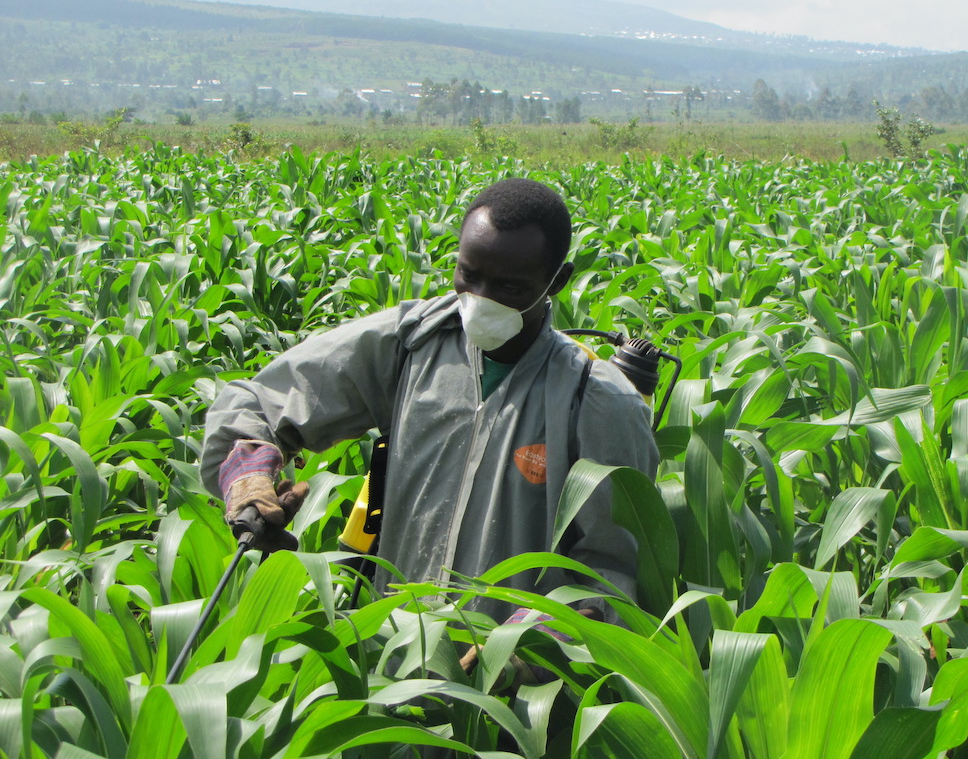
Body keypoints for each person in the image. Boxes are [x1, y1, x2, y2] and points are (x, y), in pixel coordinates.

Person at [200, 177, 659, 627]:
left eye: (509, 288)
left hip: (511, 683)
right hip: (394, 651)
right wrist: (249, 478)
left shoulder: (596, 398)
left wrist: (534, 642)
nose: (479, 301)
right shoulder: (409, 344)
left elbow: (612, 569)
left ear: (556, 281)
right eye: (469, 275)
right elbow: (258, 401)